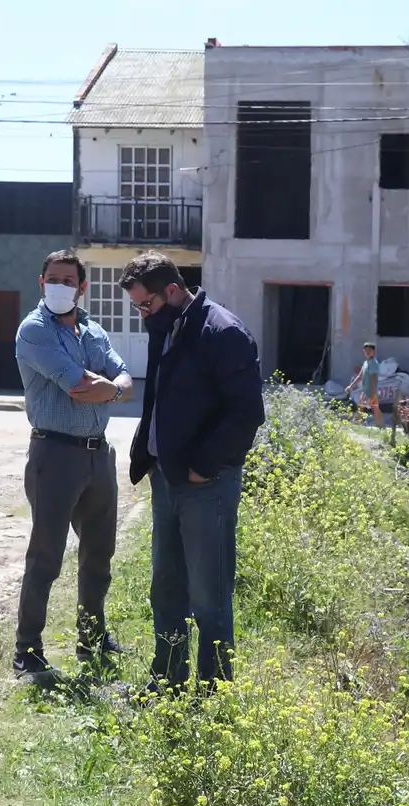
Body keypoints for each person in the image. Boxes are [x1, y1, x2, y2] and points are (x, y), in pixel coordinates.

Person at [122, 252, 264, 691]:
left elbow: (246, 413)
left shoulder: (222, 331)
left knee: (208, 595)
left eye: (146, 305)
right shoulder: (166, 327)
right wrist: (148, 456)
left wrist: (203, 467)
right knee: (166, 589)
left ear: (171, 290)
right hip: (167, 479)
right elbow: (160, 398)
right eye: (137, 308)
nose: (143, 314)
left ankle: (214, 693)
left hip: (207, 485)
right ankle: (168, 681)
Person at [12, 249, 135, 682]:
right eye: (53, 279)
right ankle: (28, 650)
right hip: (55, 454)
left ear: (82, 287)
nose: (60, 286)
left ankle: (92, 638)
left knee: (99, 552)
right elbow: (79, 386)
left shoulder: (93, 331)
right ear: (41, 282)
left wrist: (112, 388)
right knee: (46, 556)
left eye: (68, 280)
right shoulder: (34, 330)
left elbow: (126, 379)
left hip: (98, 454)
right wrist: (110, 387)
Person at [345, 342, 384, 427]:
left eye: (370, 350)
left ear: (373, 351)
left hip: (371, 391)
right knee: (368, 407)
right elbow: (360, 376)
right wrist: (351, 386)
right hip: (366, 390)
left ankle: (359, 423)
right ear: (363, 351)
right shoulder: (366, 362)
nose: (368, 352)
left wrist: (372, 393)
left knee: (371, 408)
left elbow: (374, 377)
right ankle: (378, 425)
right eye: (366, 350)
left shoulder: (373, 363)